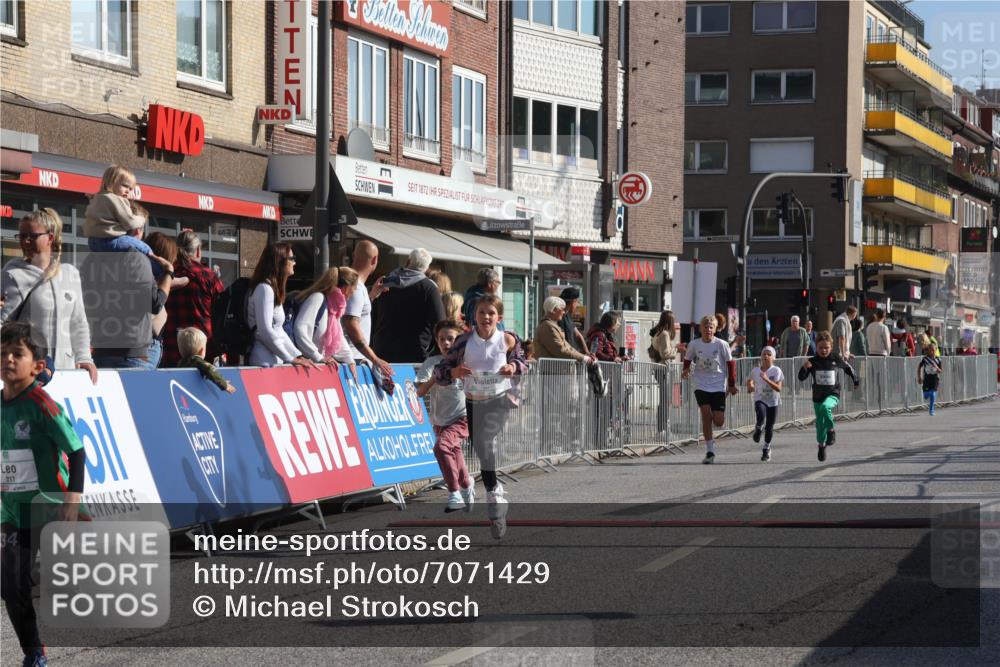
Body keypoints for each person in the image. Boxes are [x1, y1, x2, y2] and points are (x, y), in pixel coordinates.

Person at [1, 322, 86, 667]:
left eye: (17, 354)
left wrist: (72, 500)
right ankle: (34, 652)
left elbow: (77, 451)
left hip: (46, 506)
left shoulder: (41, 403)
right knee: (10, 586)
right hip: (11, 511)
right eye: (2, 353)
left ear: (37, 365)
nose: (7, 359)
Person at [434, 295, 528, 539]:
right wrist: (454, 371)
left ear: (499, 317)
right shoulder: (464, 342)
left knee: (484, 443)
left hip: (499, 401)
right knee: (480, 447)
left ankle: (494, 496)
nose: (485, 317)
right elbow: (441, 371)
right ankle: (495, 493)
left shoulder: (507, 339)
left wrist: (513, 367)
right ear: (473, 316)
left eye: (490, 313)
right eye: (481, 313)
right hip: (473, 401)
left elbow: (523, 361)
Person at [1, 209, 97, 383]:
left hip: (65, 372)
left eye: (32, 236)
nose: (26, 241)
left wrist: (84, 358)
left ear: (50, 238)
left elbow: (78, 322)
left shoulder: (70, 274)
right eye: (21, 236)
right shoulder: (13, 274)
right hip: (30, 376)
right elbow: (2, 324)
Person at [416, 320, 474, 513]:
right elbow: (420, 391)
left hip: (462, 417)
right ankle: (467, 485)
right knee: (455, 455)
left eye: (451, 339)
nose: (446, 343)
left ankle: (454, 494)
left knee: (441, 447)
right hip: (440, 419)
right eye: (442, 339)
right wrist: (437, 375)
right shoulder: (432, 363)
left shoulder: (467, 362)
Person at [83, 165, 167, 276]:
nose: (128, 191)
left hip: (93, 243)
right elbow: (129, 222)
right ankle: (162, 274)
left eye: (131, 189)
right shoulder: (116, 199)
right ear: (112, 182)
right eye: (125, 186)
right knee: (144, 248)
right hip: (110, 241)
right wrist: (141, 220)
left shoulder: (96, 198)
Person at [160, 229, 225, 367]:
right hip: (204, 352)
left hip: (171, 351)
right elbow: (221, 312)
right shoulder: (209, 276)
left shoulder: (166, 275)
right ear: (198, 251)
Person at [371, 248, 445, 363]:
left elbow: (372, 315)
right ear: (426, 268)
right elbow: (439, 322)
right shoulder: (429, 288)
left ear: (407, 261)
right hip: (414, 353)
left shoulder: (385, 282)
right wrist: (439, 354)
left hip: (381, 351)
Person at [246, 243, 313, 368]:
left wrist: (296, 355)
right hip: (263, 362)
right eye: (292, 259)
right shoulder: (264, 289)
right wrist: (290, 358)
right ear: (279, 261)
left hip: (274, 361)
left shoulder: (271, 289)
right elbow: (264, 330)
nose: (295, 263)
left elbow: (278, 330)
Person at [682, 314, 737, 464]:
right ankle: (710, 450)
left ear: (715, 329)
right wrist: (685, 370)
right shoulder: (694, 344)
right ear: (701, 329)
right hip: (700, 384)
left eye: (711, 327)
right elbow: (687, 359)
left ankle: (713, 429)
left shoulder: (721, 344)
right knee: (706, 414)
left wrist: (731, 384)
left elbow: (731, 364)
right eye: (706, 327)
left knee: (718, 421)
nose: (708, 330)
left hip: (718, 384)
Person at [798, 331, 859, 462]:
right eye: (820, 348)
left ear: (831, 347)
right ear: (816, 347)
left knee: (826, 407)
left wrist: (855, 379)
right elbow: (801, 378)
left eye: (826, 347)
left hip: (833, 393)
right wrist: (804, 367)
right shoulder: (812, 361)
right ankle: (821, 445)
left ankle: (831, 430)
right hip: (818, 396)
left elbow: (848, 368)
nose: (824, 350)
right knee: (820, 425)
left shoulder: (835, 358)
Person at [290, 267, 359, 374]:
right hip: (301, 366)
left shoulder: (333, 307)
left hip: (312, 366)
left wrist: (350, 361)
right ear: (346, 287)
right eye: (354, 289)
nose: (353, 293)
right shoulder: (318, 298)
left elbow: (339, 337)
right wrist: (318, 357)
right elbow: (300, 329)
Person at [342, 240, 393, 378]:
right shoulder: (356, 287)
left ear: (354, 255)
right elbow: (351, 324)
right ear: (375, 260)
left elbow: (354, 312)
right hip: (351, 360)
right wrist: (375, 359)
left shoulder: (357, 286)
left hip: (351, 359)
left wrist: (372, 295)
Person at [533, 296, 596, 366]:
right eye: (562, 309)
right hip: (553, 373)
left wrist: (583, 356)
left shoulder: (551, 325)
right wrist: (583, 358)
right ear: (553, 310)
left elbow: (568, 347)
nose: (564, 312)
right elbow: (560, 350)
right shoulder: (547, 326)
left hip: (558, 372)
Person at [747, 345, 783, 462]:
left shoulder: (776, 370)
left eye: (769, 354)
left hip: (773, 401)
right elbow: (749, 382)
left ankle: (766, 448)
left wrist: (767, 379)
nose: (766, 356)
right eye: (764, 354)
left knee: (769, 427)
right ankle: (758, 428)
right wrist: (750, 386)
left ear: (773, 358)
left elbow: (778, 388)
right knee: (761, 415)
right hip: (760, 398)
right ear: (761, 357)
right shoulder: (755, 370)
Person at [177, 327, 237, 393]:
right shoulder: (198, 362)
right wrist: (224, 385)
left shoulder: (180, 363)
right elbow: (210, 369)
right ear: (202, 350)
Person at [650, 310, 681, 436]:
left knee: (664, 400)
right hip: (664, 369)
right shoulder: (664, 334)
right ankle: (662, 429)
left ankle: (662, 429)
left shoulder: (657, 333)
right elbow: (665, 353)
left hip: (659, 369)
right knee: (665, 400)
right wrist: (677, 349)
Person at [559, 286, 588, 353]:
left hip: (571, 355)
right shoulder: (558, 316)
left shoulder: (568, 316)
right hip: (564, 356)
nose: (577, 305)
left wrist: (587, 353)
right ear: (573, 301)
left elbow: (578, 335)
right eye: (577, 302)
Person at [917, 342, 943, 416]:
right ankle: (926, 394)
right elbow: (919, 367)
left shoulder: (938, 360)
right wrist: (919, 377)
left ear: (935, 350)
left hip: (934, 379)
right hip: (926, 379)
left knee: (932, 394)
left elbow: (940, 371)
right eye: (930, 350)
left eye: (933, 350)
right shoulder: (925, 359)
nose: (931, 352)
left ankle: (931, 410)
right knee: (926, 396)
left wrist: (936, 367)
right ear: (928, 351)